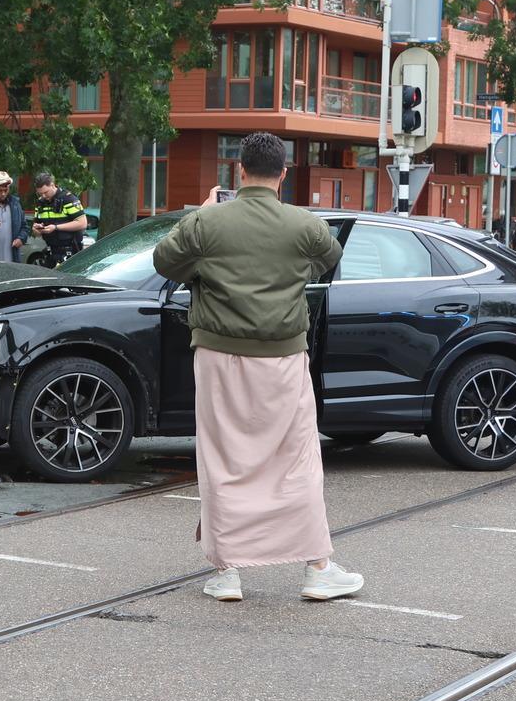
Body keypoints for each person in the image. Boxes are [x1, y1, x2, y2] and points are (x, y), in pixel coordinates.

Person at [151, 130, 361, 604]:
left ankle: (227, 572)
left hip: (218, 355)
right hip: (283, 356)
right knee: (297, 456)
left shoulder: (209, 223)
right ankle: (318, 569)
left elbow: (165, 261)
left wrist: (202, 216)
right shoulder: (303, 225)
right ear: (283, 173)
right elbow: (330, 260)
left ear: (239, 170)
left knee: (222, 459)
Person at [31, 172, 88, 266]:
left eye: (46, 192)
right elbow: (36, 231)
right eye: (40, 193)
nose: (44, 196)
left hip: (71, 251)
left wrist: (56, 227)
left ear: (52, 185)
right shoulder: (40, 203)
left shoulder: (68, 199)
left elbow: (82, 223)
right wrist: (36, 229)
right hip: (50, 252)